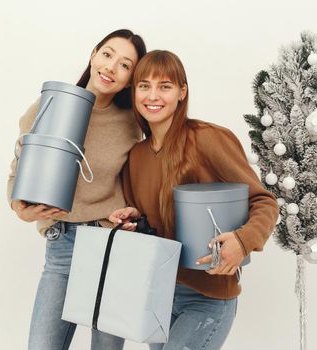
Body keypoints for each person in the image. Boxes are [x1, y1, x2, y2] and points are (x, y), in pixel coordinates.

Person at [109, 50, 279, 350]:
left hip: (207, 298)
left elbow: (264, 202)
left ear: (182, 92)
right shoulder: (136, 156)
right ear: (134, 92)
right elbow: (150, 226)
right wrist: (132, 221)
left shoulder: (208, 138)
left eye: (165, 86)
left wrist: (242, 242)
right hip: (157, 296)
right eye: (144, 85)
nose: (153, 95)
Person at [6, 29, 147, 350]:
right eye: (108, 55)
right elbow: (18, 167)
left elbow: (143, 181)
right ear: (93, 54)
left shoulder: (132, 123)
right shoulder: (50, 103)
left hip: (112, 245)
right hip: (62, 244)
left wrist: (135, 215)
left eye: (125, 65)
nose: (111, 68)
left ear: (130, 80)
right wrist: (19, 207)